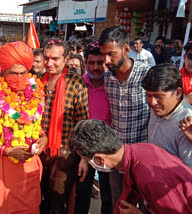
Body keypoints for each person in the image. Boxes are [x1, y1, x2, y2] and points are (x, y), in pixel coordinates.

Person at [0, 41, 47, 213]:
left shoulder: (35, 92)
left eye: (23, 73)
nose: (19, 78)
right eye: (13, 73)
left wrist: (43, 138)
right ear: (2, 71)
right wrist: (7, 151)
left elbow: (36, 127)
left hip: (28, 172)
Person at [69, 119, 192, 214]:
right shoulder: (139, 152)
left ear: (99, 159)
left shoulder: (150, 178)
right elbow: (126, 198)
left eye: (88, 161)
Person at [99, 26, 151, 208]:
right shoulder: (107, 78)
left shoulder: (147, 75)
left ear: (126, 49)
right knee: (119, 203)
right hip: (118, 157)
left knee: (146, 205)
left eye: (111, 54)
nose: (106, 61)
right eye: (103, 54)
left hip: (143, 158)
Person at [40, 38, 89, 214]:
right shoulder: (38, 82)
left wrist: (84, 157)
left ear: (66, 58)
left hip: (64, 155)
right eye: (46, 58)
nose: (49, 63)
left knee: (57, 203)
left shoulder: (76, 83)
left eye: (55, 59)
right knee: (38, 199)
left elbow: (83, 123)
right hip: (38, 152)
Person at [74, 42, 112, 214]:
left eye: (100, 62)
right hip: (84, 150)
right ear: (85, 63)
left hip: (109, 149)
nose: (95, 67)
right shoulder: (79, 85)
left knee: (108, 195)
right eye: (91, 63)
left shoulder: (114, 85)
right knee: (82, 193)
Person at [141, 63, 192, 167]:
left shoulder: (187, 123)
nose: (152, 102)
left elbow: (188, 171)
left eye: (158, 96)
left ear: (177, 93)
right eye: (148, 95)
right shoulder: (157, 109)